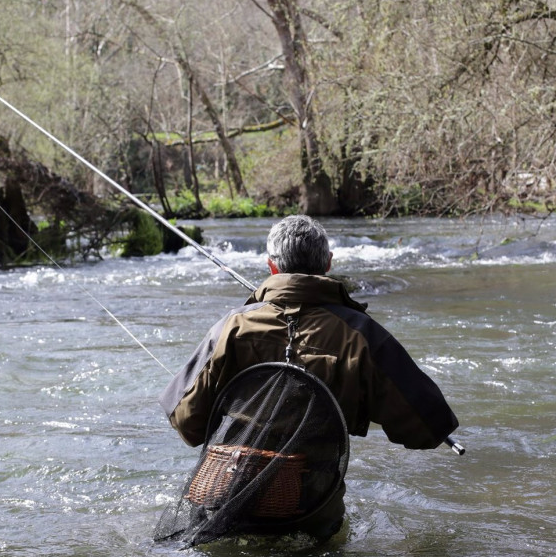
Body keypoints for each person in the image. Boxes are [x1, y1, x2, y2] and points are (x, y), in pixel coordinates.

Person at [159, 215, 459, 541]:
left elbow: (186, 422)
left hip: (226, 502)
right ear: (327, 264)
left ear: (271, 267)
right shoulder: (362, 335)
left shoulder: (231, 327)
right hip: (311, 513)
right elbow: (427, 431)